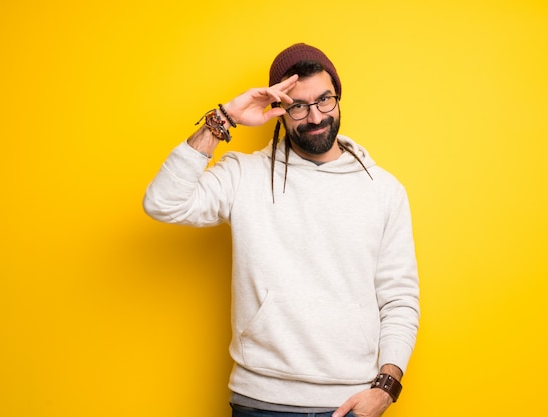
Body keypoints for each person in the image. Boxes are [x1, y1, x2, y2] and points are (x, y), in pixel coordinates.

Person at [143, 43, 420, 417]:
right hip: (260, 402)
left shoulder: (384, 189)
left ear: (337, 98)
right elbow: (164, 202)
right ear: (278, 111)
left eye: (325, 100)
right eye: (298, 106)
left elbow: (399, 298)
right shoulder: (244, 175)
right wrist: (223, 118)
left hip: (351, 403)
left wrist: (386, 387)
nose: (315, 116)